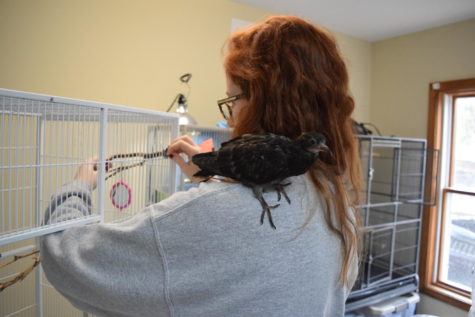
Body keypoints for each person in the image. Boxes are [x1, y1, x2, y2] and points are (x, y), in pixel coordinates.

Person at [41, 15, 362, 316]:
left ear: (261, 101)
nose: (230, 115)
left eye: (232, 99)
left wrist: (79, 187)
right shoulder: (336, 201)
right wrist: (214, 175)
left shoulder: (211, 214)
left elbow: (66, 257)